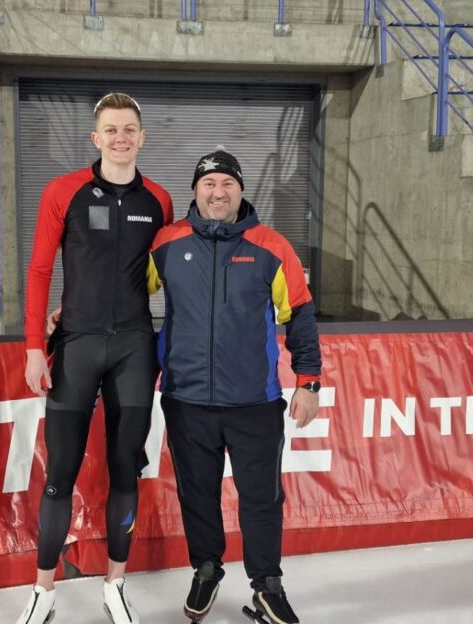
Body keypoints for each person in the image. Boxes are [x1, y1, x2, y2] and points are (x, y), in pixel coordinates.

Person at [16, 92, 174, 624]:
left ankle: (115, 584)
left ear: (142, 138)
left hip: (134, 346)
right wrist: (34, 347)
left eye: (129, 128)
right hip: (77, 346)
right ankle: (43, 591)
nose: (120, 137)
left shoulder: (160, 199)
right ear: (96, 137)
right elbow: (39, 272)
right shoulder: (64, 191)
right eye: (111, 129)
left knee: (125, 472)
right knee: (59, 473)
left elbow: (168, 275)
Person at [149, 149, 321, 624]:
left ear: (241, 191)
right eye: (209, 184)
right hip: (186, 400)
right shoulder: (166, 243)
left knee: (262, 497)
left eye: (227, 183)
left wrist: (309, 381)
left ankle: (267, 584)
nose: (218, 192)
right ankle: (206, 568)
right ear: (195, 191)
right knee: (197, 494)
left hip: (254, 402)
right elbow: (123, 295)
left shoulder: (271, 246)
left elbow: (300, 314)